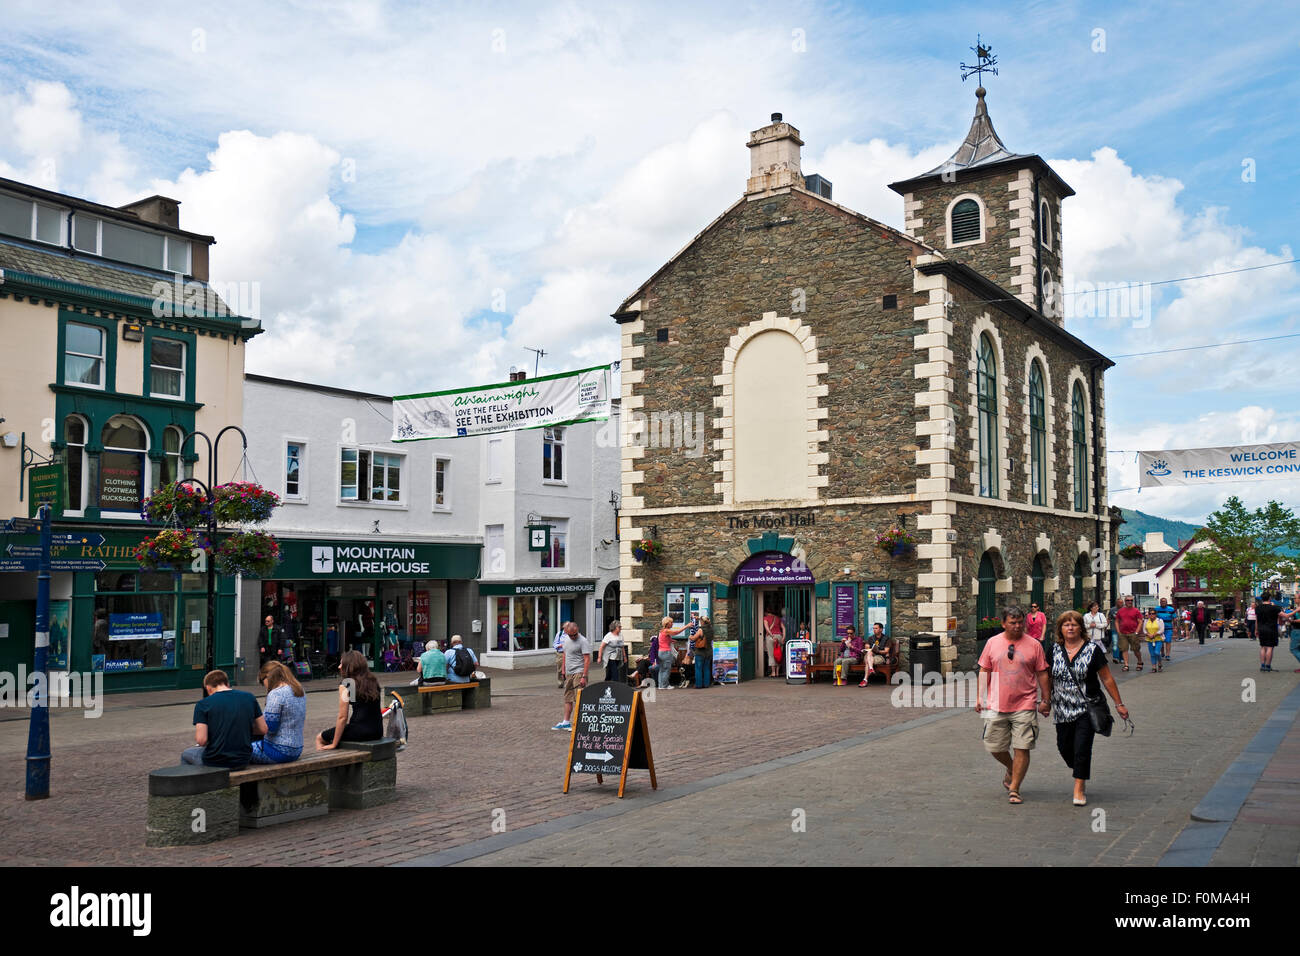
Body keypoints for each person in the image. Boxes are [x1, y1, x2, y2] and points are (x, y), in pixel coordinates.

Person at [1048, 610, 1129, 806]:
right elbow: (1047, 676)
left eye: (1074, 624)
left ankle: (1079, 787)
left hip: (1087, 707)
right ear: (1060, 628)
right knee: (1065, 747)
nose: (1070, 628)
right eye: (1066, 625)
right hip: (1062, 708)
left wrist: (1119, 704)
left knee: (1082, 747)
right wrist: (1044, 700)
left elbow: (1107, 678)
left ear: (1081, 628)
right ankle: (1078, 768)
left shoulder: (1093, 650)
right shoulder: (1053, 650)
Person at [976, 606, 1050, 805]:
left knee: (1022, 746)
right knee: (994, 746)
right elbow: (984, 670)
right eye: (1013, 623)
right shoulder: (992, 643)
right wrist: (979, 697)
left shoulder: (1034, 645)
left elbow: (1042, 672)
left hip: (1025, 703)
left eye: (1020, 623)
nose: (1017, 626)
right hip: (995, 703)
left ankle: (1015, 788)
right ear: (1003, 623)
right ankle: (1011, 767)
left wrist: (1046, 699)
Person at [182, 669, 267, 768]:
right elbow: (263, 729)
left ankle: (198, 782)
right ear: (227, 684)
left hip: (216, 760)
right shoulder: (249, 697)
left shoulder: (203, 704)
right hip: (243, 759)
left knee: (186, 754)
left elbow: (201, 740)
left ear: (208, 688)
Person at [316, 650, 383, 750]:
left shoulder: (346, 684)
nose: (339, 667)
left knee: (320, 738)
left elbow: (342, 717)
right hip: (377, 731)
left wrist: (334, 743)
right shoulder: (372, 681)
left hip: (358, 731)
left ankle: (328, 762)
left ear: (349, 667)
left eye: (341, 664)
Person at [252, 661, 306, 764]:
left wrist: (250, 728)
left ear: (268, 677)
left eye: (262, 680)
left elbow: (270, 728)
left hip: (277, 750)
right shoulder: (299, 690)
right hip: (296, 749)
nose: (263, 684)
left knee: (238, 751)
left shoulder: (276, 693)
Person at [551, 621, 591, 730]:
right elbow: (565, 654)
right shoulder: (566, 639)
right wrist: (563, 669)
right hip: (569, 672)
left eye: (574, 634)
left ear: (577, 629)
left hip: (579, 672)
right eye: (570, 635)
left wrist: (584, 676)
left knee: (578, 697)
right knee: (567, 697)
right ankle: (566, 721)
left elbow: (587, 659)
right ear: (566, 632)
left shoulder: (583, 641)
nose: (573, 637)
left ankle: (578, 722)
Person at [1254, 592, 1294, 673]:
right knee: (1270, 647)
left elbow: (1257, 620)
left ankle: (1262, 665)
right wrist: (1296, 610)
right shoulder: (1275, 608)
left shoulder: (1258, 608)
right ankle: (1268, 665)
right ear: (1270, 598)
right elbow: (1286, 616)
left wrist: (1256, 629)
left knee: (1262, 647)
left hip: (1261, 629)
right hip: (1271, 629)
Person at [655, 617, 687, 690]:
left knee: (662, 669)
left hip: (661, 652)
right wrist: (686, 626)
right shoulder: (666, 631)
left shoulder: (662, 631)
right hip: (666, 652)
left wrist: (672, 640)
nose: (672, 624)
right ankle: (665, 685)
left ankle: (661, 685)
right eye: (671, 622)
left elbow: (664, 640)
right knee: (667, 669)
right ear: (667, 623)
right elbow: (677, 632)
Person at [1115, 596, 1144, 672]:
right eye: (1128, 600)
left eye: (1131, 600)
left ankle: (1140, 661)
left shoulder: (1136, 611)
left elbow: (1140, 621)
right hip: (1123, 633)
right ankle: (1126, 665)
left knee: (1136, 650)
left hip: (1133, 633)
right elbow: (1117, 621)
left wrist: (1137, 632)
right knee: (1124, 649)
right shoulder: (1120, 611)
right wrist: (1118, 631)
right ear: (1125, 601)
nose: (1129, 602)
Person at [692, 615, 715, 689]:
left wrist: (690, 637)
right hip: (709, 651)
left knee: (698, 668)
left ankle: (698, 685)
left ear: (702, 622)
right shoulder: (711, 629)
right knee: (706, 668)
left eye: (700, 621)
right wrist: (698, 618)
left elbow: (693, 638)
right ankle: (706, 684)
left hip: (700, 652)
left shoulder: (701, 630)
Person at [762, 609, 784, 678]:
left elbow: (767, 628)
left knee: (771, 655)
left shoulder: (765, 618)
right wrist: (783, 638)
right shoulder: (778, 618)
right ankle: (777, 672)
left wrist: (772, 636)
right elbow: (784, 628)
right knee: (779, 655)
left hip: (771, 637)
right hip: (779, 637)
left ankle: (773, 672)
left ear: (766, 612)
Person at [1143, 607, 1164, 672]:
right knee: (1152, 654)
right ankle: (1154, 667)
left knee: (1157, 653)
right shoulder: (1146, 621)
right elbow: (1144, 630)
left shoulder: (1159, 620)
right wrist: (1148, 634)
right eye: (1150, 613)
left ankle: (1160, 663)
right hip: (1149, 639)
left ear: (1156, 614)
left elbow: (1162, 630)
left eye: (1153, 613)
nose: (1151, 615)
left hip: (1158, 639)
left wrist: (1155, 634)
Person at [1155, 598, 1176, 663]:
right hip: (1159, 628)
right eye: (1162, 601)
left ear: (1166, 602)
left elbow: (1174, 618)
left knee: (1168, 641)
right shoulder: (1156, 609)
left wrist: (1175, 627)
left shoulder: (1171, 609)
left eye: (1164, 601)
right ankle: (1162, 652)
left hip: (1168, 627)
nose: (1163, 602)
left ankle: (1167, 655)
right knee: (1160, 641)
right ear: (1160, 602)